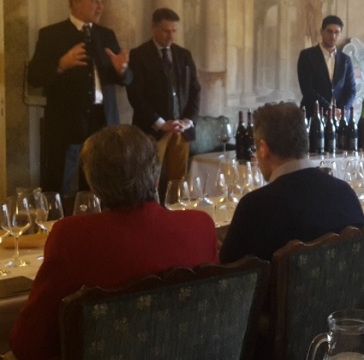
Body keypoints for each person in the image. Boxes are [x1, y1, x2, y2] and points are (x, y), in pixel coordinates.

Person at [10, 125, 219, 360]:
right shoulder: (200, 226)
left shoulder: (72, 236)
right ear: (155, 175)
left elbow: (28, 344)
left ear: (94, 183)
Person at [219, 102, 364, 263]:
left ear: (263, 148)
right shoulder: (345, 194)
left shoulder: (254, 207)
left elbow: (228, 272)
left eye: (255, 148)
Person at [27, 0, 131, 196]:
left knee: (100, 186)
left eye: (101, 1)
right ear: (75, 2)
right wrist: (61, 64)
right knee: (60, 186)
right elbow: (34, 78)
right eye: (94, 1)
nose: (100, 7)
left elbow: (127, 79)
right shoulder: (51, 34)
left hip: (103, 121)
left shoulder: (106, 35)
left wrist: (122, 71)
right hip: (66, 123)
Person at [126, 8, 201, 197]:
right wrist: (160, 123)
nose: (170, 36)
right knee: (149, 181)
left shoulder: (184, 55)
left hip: (181, 130)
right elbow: (136, 96)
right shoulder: (139, 55)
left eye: (174, 31)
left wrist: (188, 120)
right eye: (165, 31)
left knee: (178, 183)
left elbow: (195, 90)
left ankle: (176, 210)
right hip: (152, 131)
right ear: (153, 28)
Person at [297, 15, 356, 117]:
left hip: (339, 117)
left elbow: (351, 89)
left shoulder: (345, 60)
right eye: (329, 31)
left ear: (340, 34)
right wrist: (328, 108)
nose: (333, 36)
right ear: (321, 31)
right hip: (313, 114)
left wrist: (341, 110)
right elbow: (307, 89)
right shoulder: (307, 56)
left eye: (337, 32)